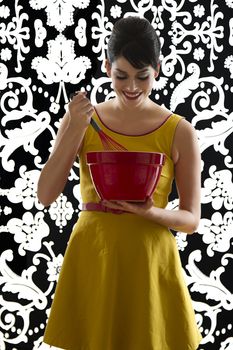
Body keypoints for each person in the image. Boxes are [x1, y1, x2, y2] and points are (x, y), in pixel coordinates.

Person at [38, 16, 202, 350]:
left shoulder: (179, 131)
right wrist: (74, 128)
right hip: (93, 253)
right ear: (106, 66)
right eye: (121, 75)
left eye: (143, 77)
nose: (132, 87)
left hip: (149, 258)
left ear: (158, 68)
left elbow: (191, 219)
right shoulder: (83, 119)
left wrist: (151, 213)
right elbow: (45, 195)